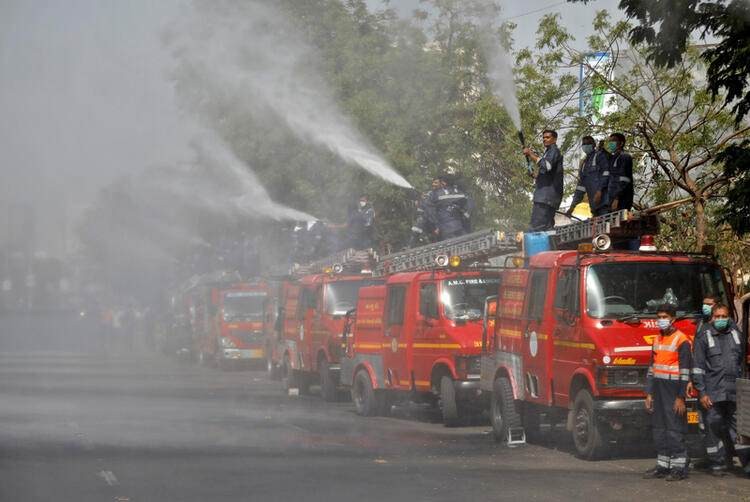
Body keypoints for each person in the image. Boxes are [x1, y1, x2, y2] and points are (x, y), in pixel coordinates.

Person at [692, 303, 750, 476]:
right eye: (717, 316)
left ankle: (747, 463)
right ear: (712, 318)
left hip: (734, 392)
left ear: (729, 317)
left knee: (740, 429)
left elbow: (742, 363)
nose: (720, 319)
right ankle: (717, 463)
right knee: (714, 427)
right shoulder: (704, 336)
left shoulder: (736, 335)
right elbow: (698, 368)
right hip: (713, 392)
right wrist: (702, 392)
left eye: (724, 316)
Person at [643, 304, 692, 481]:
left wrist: (680, 397)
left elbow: (685, 371)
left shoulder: (682, 340)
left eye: (664, 317)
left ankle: (679, 467)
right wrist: (648, 393)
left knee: (674, 429)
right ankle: (663, 465)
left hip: (673, 390)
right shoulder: (657, 339)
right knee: (659, 429)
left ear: (673, 318)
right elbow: (651, 368)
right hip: (658, 388)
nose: (660, 320)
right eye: (659, 317)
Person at [523, 129, 563, 231]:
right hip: (548, 198)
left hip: (545, 198)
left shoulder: (554, 151)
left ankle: (537, 247)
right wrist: (536, 175)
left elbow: (547, 166)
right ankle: (551, 246)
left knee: (536, 227)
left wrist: (530, 154)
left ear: (554, 139)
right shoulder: (549, 152)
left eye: (548, 137)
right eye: (543, 138)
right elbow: (549, 173)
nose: (544, 139)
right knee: (547, 228)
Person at [566, 135, 610, 217]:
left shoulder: (600, 156)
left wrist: (599, 191)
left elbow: (606, 174)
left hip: (604, 205)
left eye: (588, 143)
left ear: (593, 145)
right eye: (584, 144)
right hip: (594, 207)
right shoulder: (584, 164)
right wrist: (572, 208)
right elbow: (580, 188)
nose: (585, 146)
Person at [424, 174, 469, 241]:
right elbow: (468, 207)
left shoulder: (435, 194)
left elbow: (429, 211)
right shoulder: (461, 193)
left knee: (450, 248)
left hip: (446, 229)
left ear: (443, 183)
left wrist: (436, 226)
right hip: (460, 227)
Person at [604, 132, 633, 212]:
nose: (610, 144)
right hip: (610, 200)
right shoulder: (612, 159)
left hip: (621, 201)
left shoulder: (625, 157)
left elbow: (624, 180)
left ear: (621, 143)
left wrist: (617, 198)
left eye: (613, 141)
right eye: (609, 141)